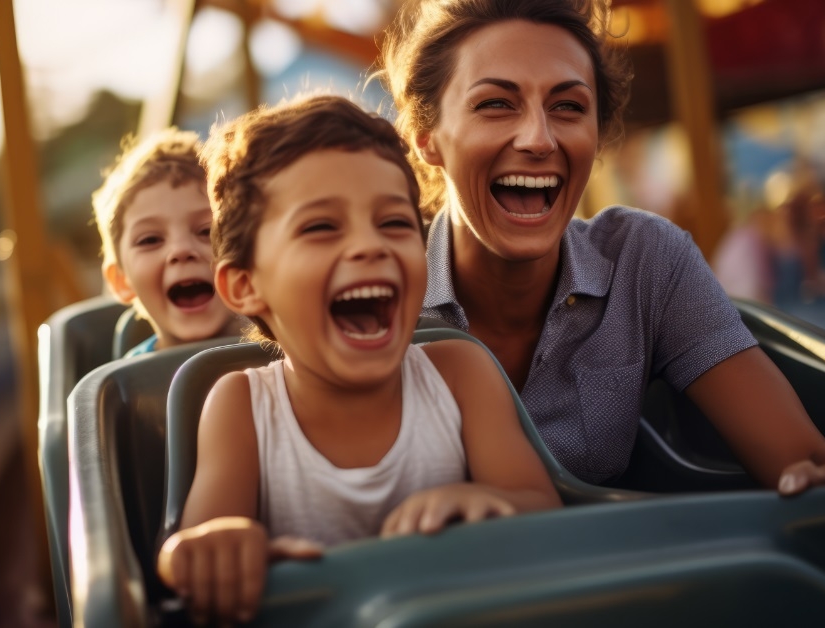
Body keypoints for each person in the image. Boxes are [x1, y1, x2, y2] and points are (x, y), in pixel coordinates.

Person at [378, 0, 825, 557]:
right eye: (495, 104)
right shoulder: (378, 289)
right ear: (425, 135)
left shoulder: (644, 260)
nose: (539, 138)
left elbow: (803, 462)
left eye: (568, 107)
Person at [155, 96, 562, 625]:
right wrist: (208, 551)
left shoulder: (461, 373)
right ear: (245, 285)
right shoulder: (241, 408)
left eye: (393, 223)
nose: (370, 246)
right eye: (321, 228)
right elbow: (195, 555)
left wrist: (486, 503)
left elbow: (546, 510)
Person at [92, 128, 241, 357]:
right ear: (121, 280)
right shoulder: (130, 378)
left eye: (207, 231)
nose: (181, 250)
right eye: (150, 240)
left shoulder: (287, 353)